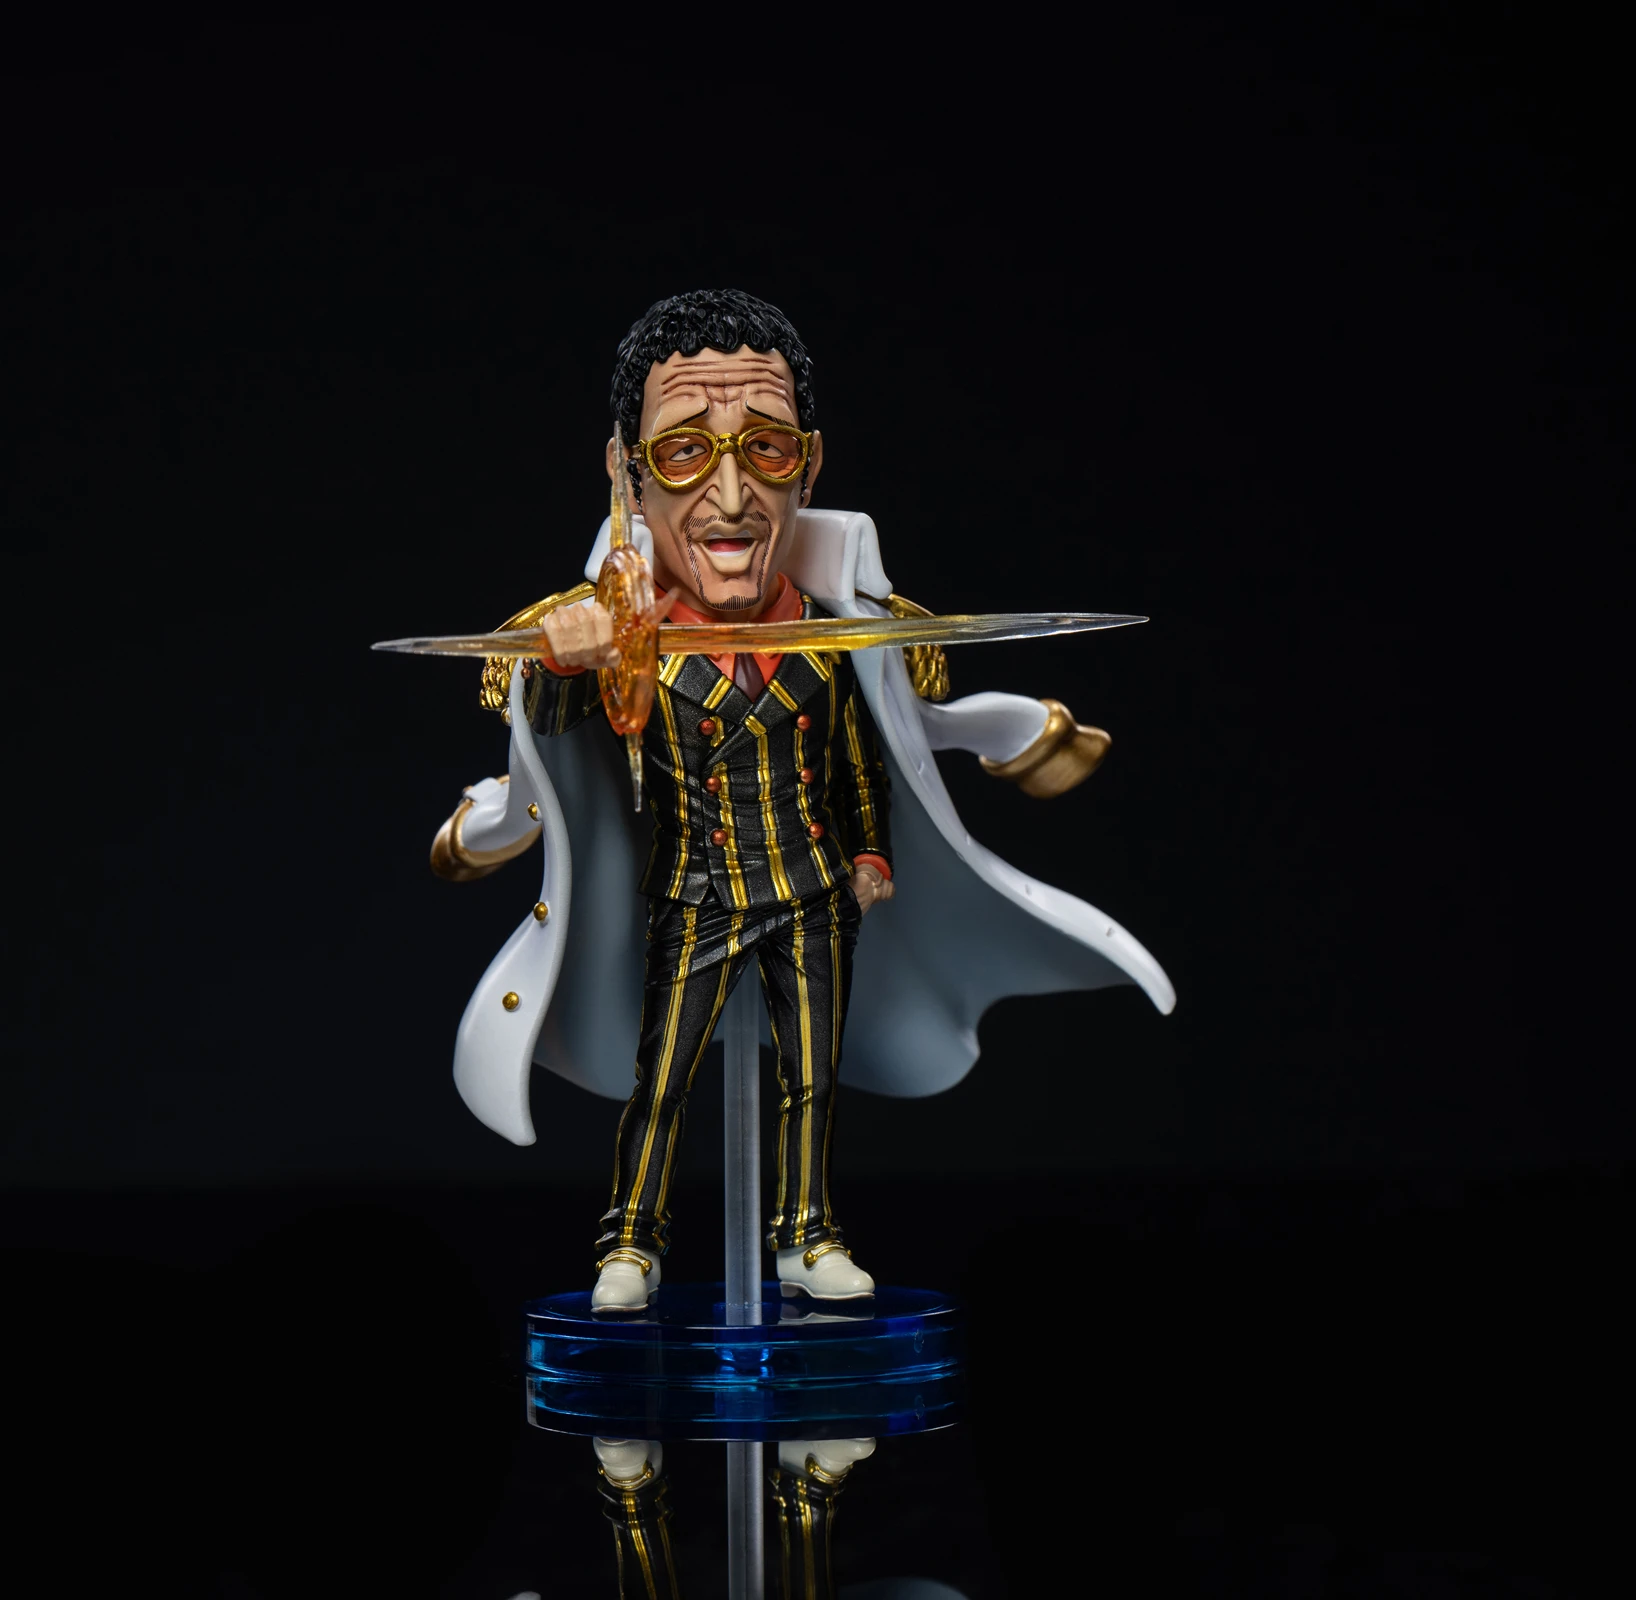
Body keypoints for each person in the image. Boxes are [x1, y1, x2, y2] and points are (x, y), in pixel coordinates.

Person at [431, 290, 1176, 1311]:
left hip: (812, 891)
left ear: (810, 464)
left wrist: (888, 838)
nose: (732, 495)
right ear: (628, 473)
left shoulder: (841, 639)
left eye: (767, 449)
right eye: (685, 452)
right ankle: (630, 1242)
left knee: (810, 1080)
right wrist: (566, 662)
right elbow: (558, 749)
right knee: (663, 1082)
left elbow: (867, 760)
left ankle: (808, 1236)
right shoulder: (616, 641)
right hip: (695, 894)